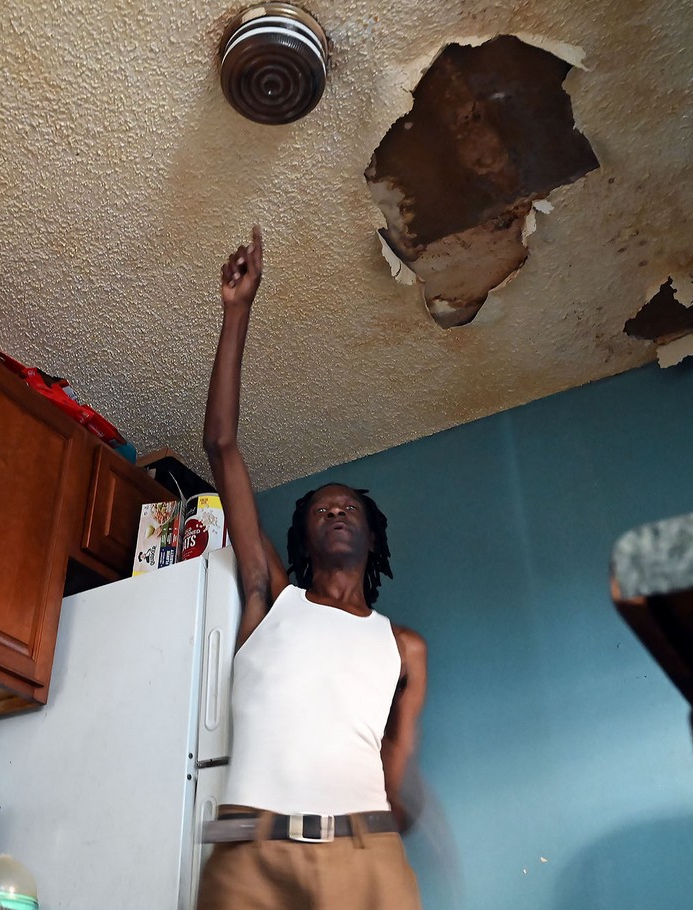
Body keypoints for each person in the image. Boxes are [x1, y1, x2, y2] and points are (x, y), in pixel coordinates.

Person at [196, 225, 428, 910]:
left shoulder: (405, 647)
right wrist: (237, 311)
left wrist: (402, 804)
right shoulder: (271, 597)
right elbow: (221, 444)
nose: (335, 511)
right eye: (321, 508)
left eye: (348, 508)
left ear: (371, 538)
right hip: (250, 855)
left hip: (365, 857)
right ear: (300, 535)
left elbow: (395, 766)